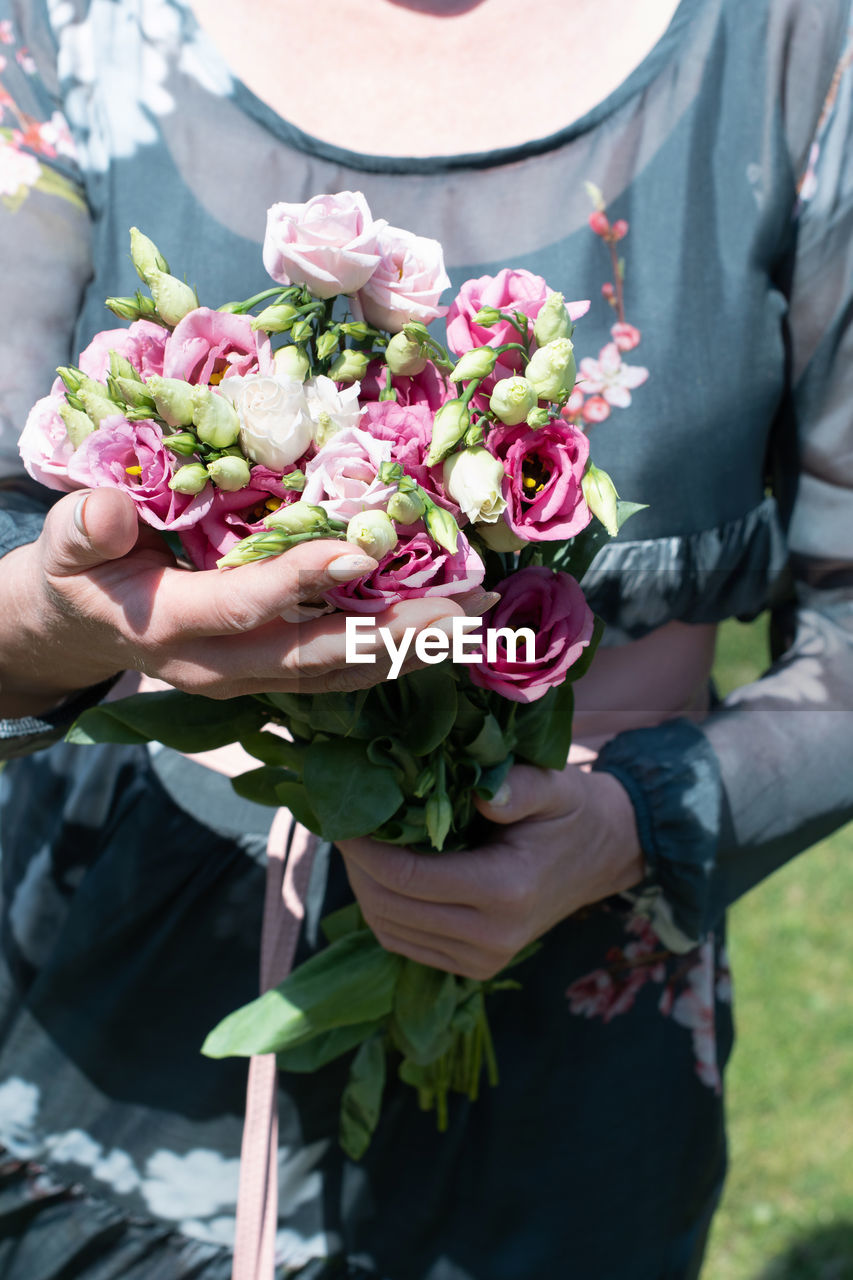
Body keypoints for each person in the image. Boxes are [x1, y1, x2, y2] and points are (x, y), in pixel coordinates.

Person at [0, 0, 851, 1276]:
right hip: (108, 1026)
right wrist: (55, 626)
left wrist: (632, 823)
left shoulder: (796, 40)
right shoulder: (67, 24)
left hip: (573, 1053)